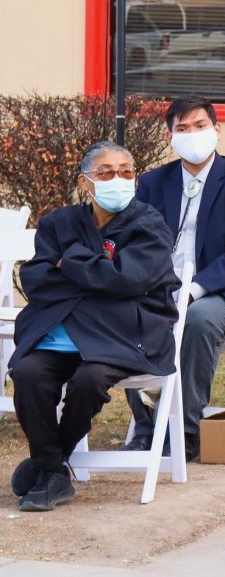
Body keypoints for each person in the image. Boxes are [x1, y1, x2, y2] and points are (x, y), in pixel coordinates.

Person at [8, 141, 179, 511]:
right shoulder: (60, 222)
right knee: (27, 373)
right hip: (62, 333)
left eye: (126, 171)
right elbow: (35, 279)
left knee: (89, 381)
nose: (118, 179)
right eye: (106, 173)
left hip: (123, 335)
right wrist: (99, 274)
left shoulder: (148, 224)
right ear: (86, 182)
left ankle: (46, 466)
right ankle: (54, 473)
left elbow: (128, 279)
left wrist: (69, 261)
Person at [122, 96, 225, 462]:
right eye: (182, 129)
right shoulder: (153, 184)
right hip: (163, 286)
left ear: (217, 130)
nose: (192, 135)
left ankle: (185, 431)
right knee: (121, 312)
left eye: (200, 126)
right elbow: (135, 241)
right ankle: (146, 423)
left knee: (198, 318)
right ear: (169, 138)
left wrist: (192, 290)